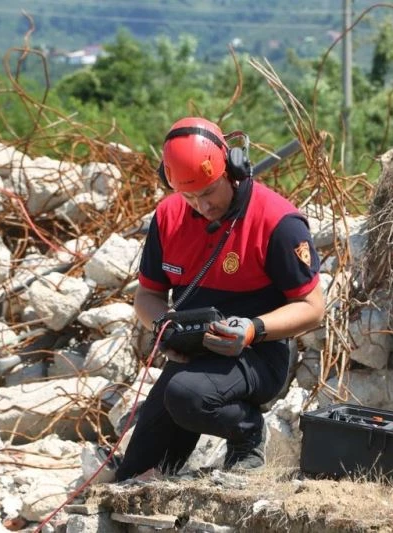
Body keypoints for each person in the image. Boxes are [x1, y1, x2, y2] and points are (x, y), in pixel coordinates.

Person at [115, 117, 325, 481]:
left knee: (185, 395)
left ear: (233, 169)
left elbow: (313, 308)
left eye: (209, 192)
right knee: (135, 474)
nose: (202, 206)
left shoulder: (278, 222)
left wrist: (252, 329)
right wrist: (164, 327)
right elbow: (147, 296)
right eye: (190, 196)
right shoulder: (168, 217)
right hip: (195, 354)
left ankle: (248, 433)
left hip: (258, 354)